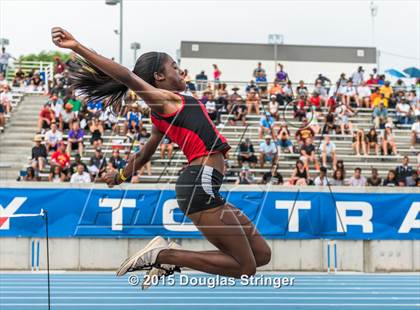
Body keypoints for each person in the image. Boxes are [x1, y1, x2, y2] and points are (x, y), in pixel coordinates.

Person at [53, 27, 271, 282]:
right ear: (158, 76)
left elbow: (145, 154)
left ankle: (170, 253)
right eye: (174, 68)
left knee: (261, 254)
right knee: (245, 268)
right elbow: (126, 76)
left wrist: (121, 175)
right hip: (199, 183)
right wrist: (77, 46)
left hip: (205, 183)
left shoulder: (162, 114)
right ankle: (165, 256)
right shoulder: (164, 100)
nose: (181, 72)